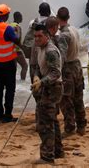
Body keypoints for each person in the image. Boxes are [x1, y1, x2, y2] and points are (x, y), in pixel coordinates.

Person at [30, 24, 64, 163]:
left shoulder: (50, 50)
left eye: (40, 36)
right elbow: (39, 67)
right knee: (52, 120)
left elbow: (56, 72)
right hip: (47, 86)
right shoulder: (40, 48)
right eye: (35, 36)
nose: (37, 39)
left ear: (47, 36)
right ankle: (58, 151)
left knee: (45, 123)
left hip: (53, 88)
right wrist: (37, 76)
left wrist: (41, 82)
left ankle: (47, 156)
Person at [56, 7, 87, 136]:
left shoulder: (63, 35)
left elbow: (62, 56)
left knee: (66, 99)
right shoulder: (74, 30)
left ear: (58, 18)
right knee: (78, 98)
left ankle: (69, 127)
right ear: (68, 17)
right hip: (77, 65)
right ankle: (81, 125)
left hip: (68, 68)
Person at [0, 4, 20, 123]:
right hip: (8, 62)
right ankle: (7, 115)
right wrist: (16, 33)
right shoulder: (7, 28)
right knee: (10, 88)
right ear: (6, 15)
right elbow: (16, 40)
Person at [10, 11, 29, 80]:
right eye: (21, 17)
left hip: (10, 50)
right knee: (25, 66)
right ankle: (22, 82)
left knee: (13, 69)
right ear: (18, 18)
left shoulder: (9, 25)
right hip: (17, 50)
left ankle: (12, 83)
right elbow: (17, 41)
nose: (22, 18)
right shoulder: (17, 27)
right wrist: (24, 49)